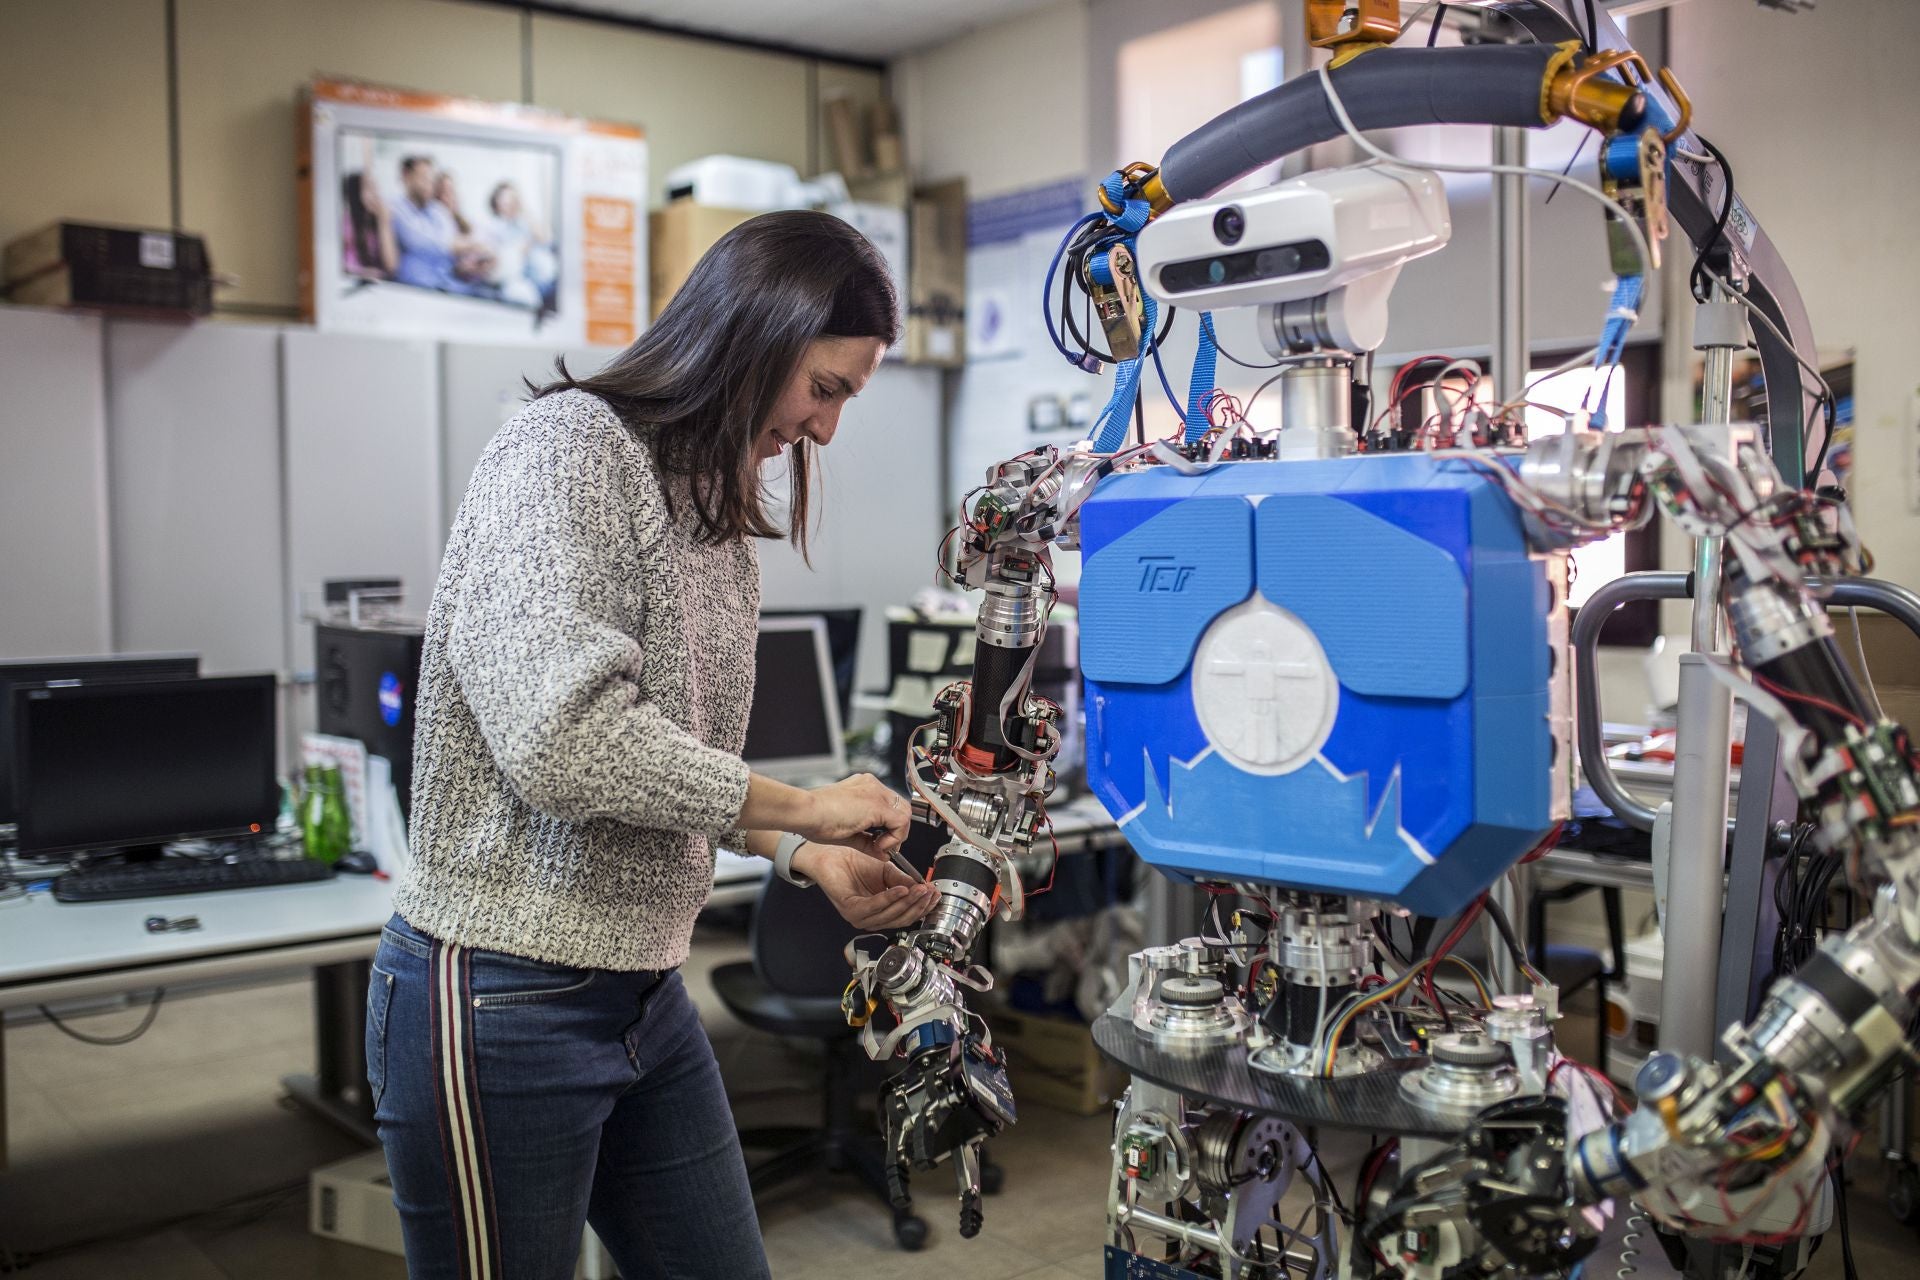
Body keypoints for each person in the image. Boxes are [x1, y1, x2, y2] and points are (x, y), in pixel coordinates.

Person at [368, 210, 924, 1280]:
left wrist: (801, 855)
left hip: (642, 988)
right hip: (499, 990)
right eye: (827, 388)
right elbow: (567, 741)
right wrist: (807, 807)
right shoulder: (564, 449)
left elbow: (672, 764)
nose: (826, 429)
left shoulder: (712, 503)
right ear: (755, 336)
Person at [389, 155, 489, 296]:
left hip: (446, 284)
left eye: (431, 179)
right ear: (406, 176)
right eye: (423, 178)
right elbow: (420, 242)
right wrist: (468, 245)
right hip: (416, 288)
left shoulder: (437, 210)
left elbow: (450, 244)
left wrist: (466, 265)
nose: (428, 184)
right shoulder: (395, 208)